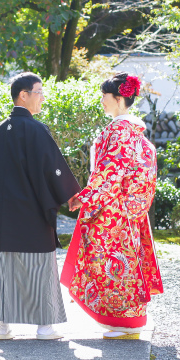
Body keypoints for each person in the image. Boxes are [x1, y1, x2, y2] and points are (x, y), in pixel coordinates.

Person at [0, 72, 81, 340]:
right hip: (32, 210)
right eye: (39, 92)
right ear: (23, 95)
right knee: (39, 266)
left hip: (4, 212)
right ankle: (44, 327)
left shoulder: (0, 129)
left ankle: (2, 326)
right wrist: (70, 194)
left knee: (5, 267)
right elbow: (52, 169)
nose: (42, 98)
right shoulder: (36, 129)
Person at [61, 72, 163, 339]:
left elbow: (110, 171)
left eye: (105, 96)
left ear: (118, 99)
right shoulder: (136, 132)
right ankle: (129, 321)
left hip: (113, 209)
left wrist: (84, 197)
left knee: (109, 261)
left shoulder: (118, 130)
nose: (102, 101)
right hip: (129, 210)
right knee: (125, 261)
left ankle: (121, 322)